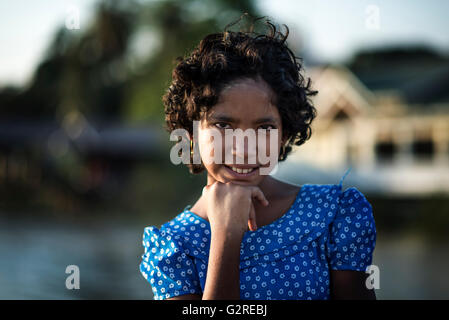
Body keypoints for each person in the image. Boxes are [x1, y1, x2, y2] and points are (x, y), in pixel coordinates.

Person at [139, 16, 377, 300]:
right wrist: (225, 237)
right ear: (190, 134)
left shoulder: (333, 216)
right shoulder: (175, 247)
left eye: (264, 128)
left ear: (284, 135)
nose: (244, 148)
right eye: (224, 126)